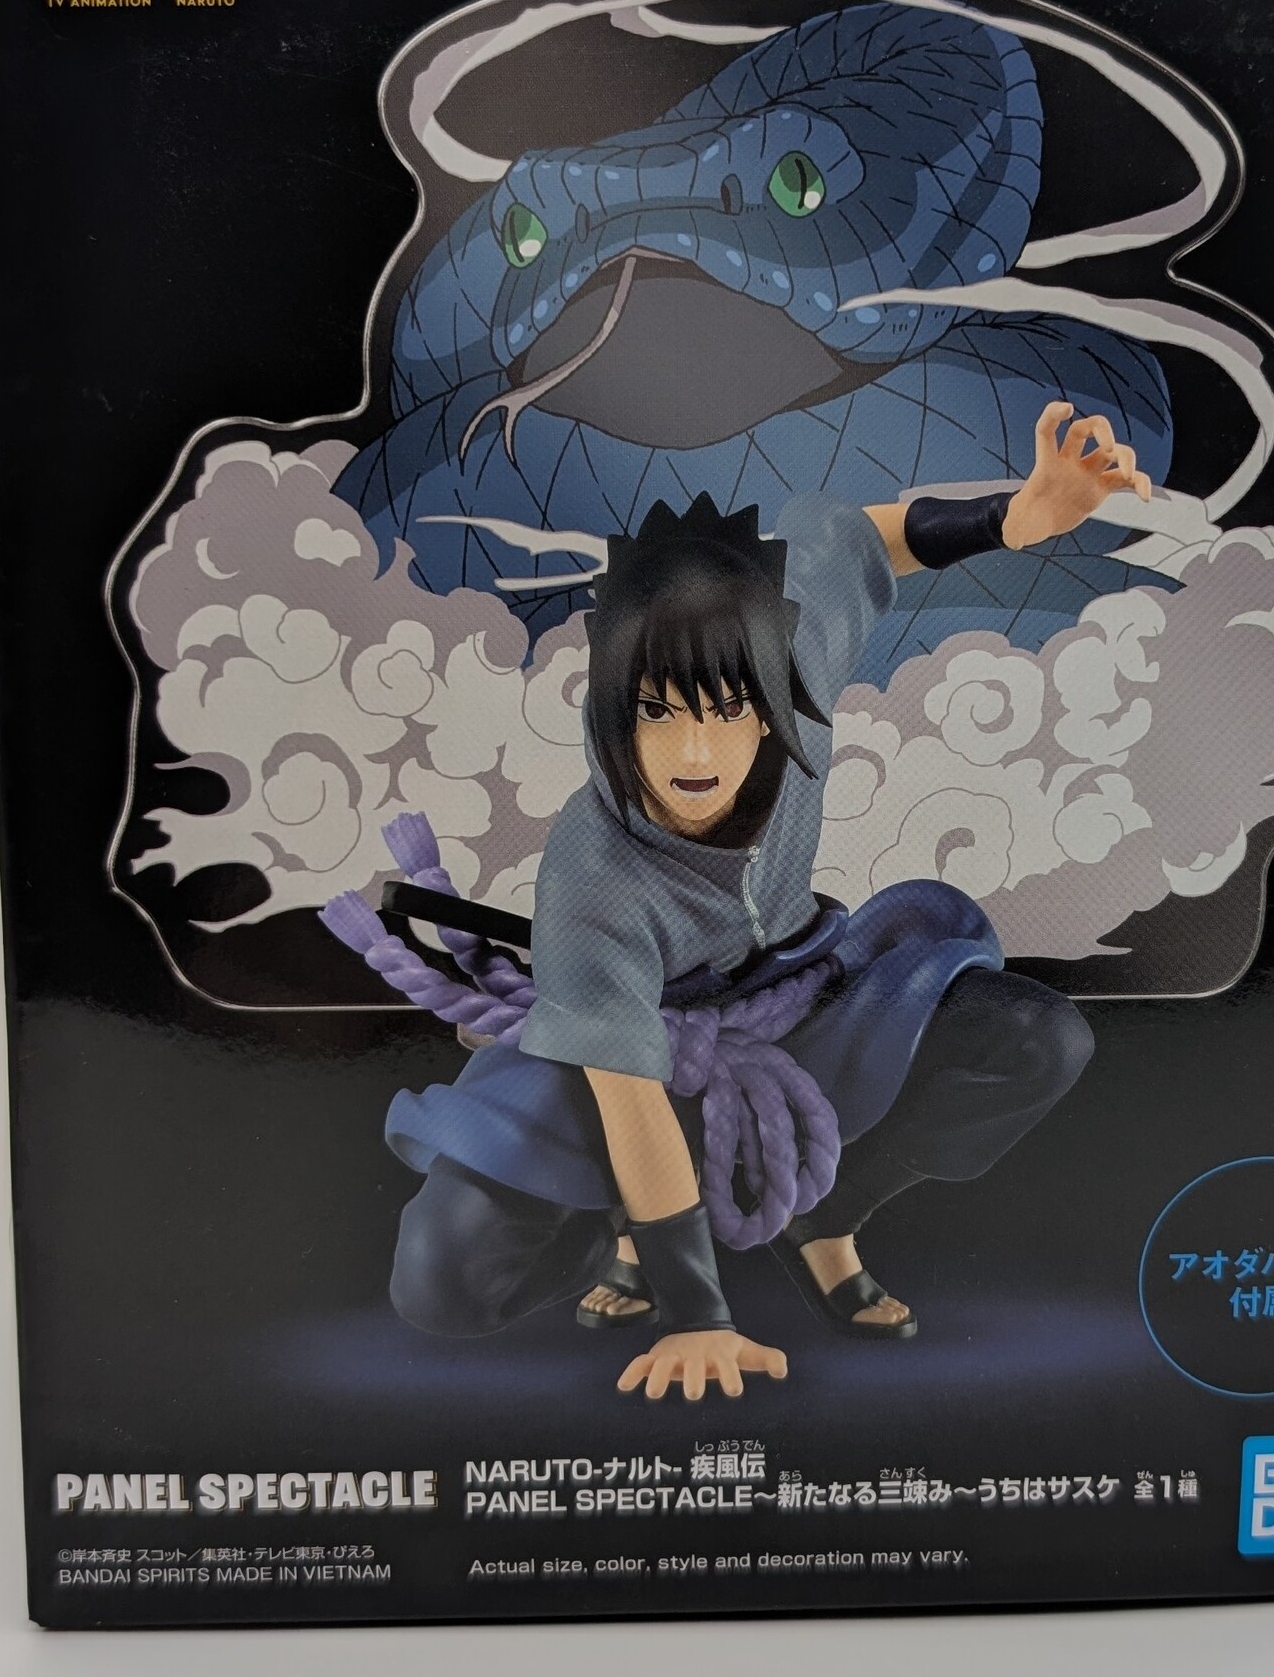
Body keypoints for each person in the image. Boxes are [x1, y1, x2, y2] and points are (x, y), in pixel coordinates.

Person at [384, 402, 1152, 1400]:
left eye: (726, 708)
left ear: (772, 695)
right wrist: (696, 1312)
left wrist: (1014, 516)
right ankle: (618, 1227)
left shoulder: (794, 670)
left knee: (1034, 1039)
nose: (695, 751)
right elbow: (632, 1100)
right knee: (442, 1280)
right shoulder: (591, 875)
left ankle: (824, 1214)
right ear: (613, 710)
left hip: (802, 993)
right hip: (625, 1048)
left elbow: (853, 532)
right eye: (656, 711)